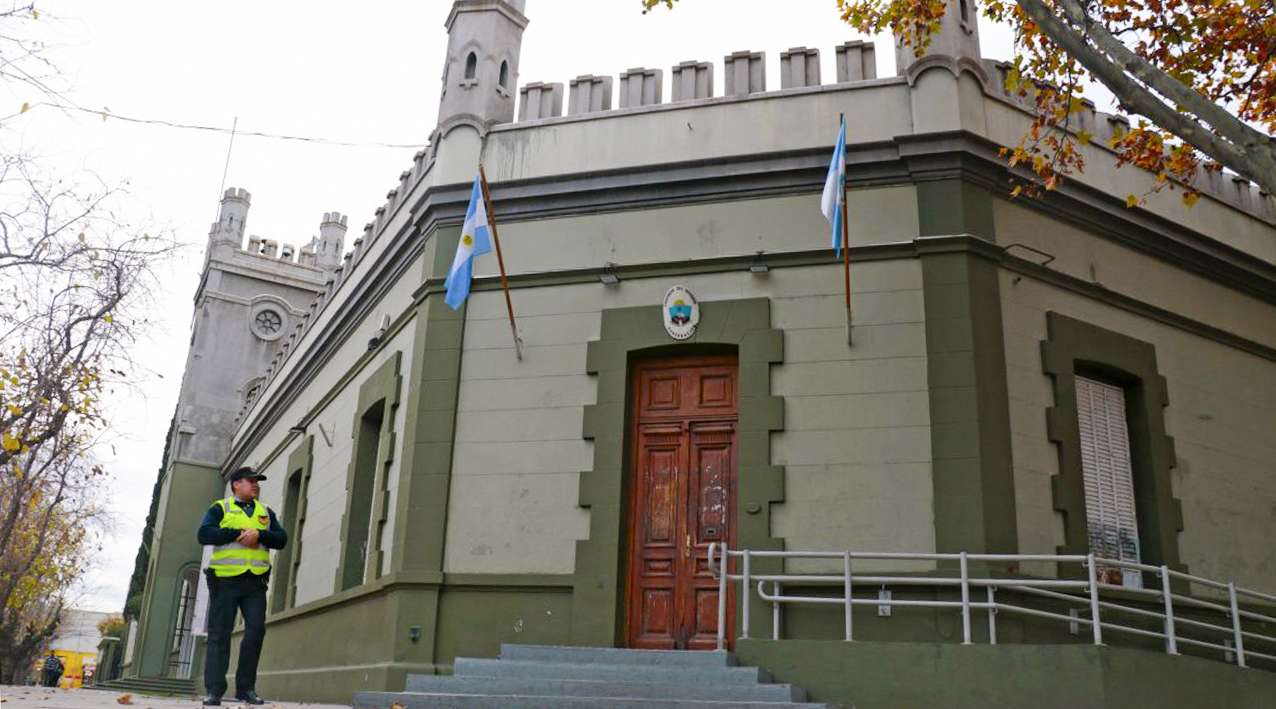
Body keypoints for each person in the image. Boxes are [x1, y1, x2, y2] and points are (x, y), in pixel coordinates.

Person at [197, 466, 287, 706]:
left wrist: (259, 535)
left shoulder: (265, 512)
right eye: (251, 480)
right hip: (225, 581)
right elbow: (204, 534)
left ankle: (246, 689)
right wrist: (237, 533)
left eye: (258, 481)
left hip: (255, 582)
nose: (256, 484)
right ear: (236, 484)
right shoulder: (220, 508)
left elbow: (281, 539)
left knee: (256, 631)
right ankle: (214, 690)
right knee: (220, 634)